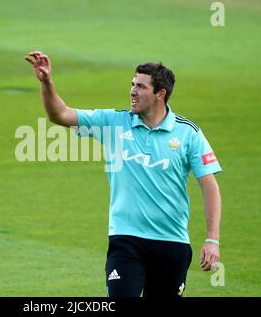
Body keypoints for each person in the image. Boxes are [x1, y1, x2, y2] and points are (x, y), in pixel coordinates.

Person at [24, 51, 222, 298]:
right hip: (126, 241)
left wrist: (212, 238)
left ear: (160, 94)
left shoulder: (188, 133)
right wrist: (46, 83)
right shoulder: (114, 123)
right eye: (132, 85)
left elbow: (209, 185)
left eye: (140, 86)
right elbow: (60, 114)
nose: (132, 91)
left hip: (172, 243)